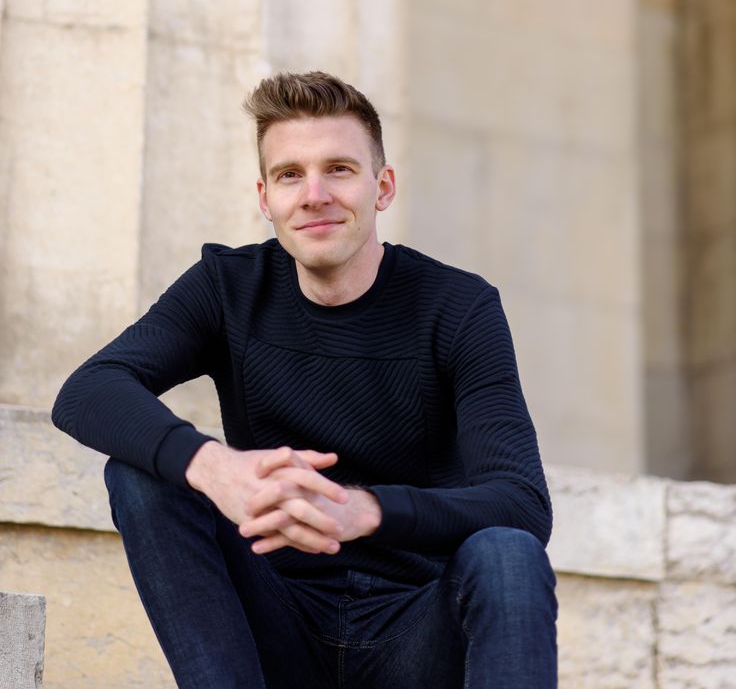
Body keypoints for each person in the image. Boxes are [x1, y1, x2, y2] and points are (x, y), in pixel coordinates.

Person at [52, 70, 557, 688]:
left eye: (339, 169)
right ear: (265, 198)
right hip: (276, 621)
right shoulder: (227, 288)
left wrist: (364, 510)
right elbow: (88, 390)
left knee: (507, 554)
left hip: (417, 635)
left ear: (383, 186)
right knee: (145, 473)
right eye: (290, 175)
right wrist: (218, 469)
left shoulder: (457, 307)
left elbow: (522, 503)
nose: (314, 194)